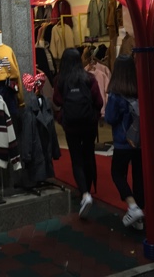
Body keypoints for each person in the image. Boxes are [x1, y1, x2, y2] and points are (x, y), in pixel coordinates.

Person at [53, 48, 103, 218]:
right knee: (88, 154)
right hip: (89, 123)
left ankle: (84, 194)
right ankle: (88, 188)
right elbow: (99, 101)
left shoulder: (60, 80)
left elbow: (57, 100)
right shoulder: (89, 78)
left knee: (76, 158)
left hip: (71, 125)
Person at [104, 55, 145, 230]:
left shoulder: (116, 95)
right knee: (139, 177)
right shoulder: (140, 90)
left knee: (117, 174)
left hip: (123, 141)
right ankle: (140, 215)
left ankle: (133, 206)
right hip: (140, 141)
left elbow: (110, 118)